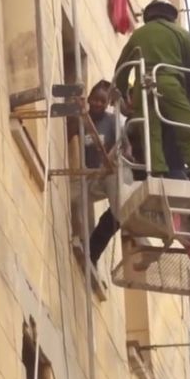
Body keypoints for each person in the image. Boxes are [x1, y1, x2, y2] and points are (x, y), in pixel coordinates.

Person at [114, 0, 190, 180]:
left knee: (150, 131)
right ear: (170, 15)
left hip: (143, 87)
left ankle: (157, 172)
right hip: (170, 84)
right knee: (187, 127)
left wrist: (123, 94)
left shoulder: (138, 35)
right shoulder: (180, 33)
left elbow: (121, 69)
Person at [67, 80, 120, 266]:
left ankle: (95, 249)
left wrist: (110, 159)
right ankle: (81, 239)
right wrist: (78, 113)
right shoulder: (82, 119)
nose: (98, 103)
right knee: (73, 198)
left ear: (107, 104)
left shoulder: (112, 121)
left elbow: (122, 145)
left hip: (108, 174)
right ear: (89, 99)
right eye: (95, 99)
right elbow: (69, 134)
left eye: (102, 101)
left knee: (119, 208)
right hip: (90, 175)